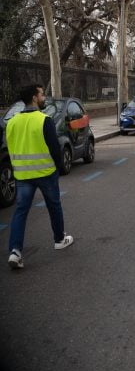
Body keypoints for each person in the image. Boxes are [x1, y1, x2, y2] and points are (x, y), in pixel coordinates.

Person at [6, 84, 74, 269]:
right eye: (42, 94)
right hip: (45, 173)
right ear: (35, 98)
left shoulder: (11, 122)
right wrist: (59, 168)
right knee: (54, 206)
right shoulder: (44, 120)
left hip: (22, 175)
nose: (44, 97)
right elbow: (54, 148)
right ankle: (59, 239)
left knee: (20, 212)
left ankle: (15, 251)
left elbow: (10, 148)